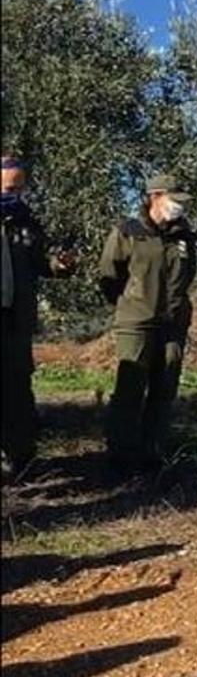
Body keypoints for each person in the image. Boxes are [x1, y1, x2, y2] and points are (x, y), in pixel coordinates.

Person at [97, 173, 197, 475]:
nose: (180, 207)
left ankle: (153, 451)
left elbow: (188, 273)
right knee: (130, 388)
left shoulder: (184, 235)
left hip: (173, 323)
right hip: (136, 322)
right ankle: (122, 456)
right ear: (155, 196)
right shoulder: (127, 232)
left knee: (165, 386)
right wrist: (131, 302)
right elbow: (109, 275)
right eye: (175, 200)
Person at [1, 155, 75, 476]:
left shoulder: (26, 220)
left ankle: (22, 458)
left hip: (16, 320)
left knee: (18, 389)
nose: (14, 194)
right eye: (8, 188)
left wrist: (63, 265)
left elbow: (42, 264)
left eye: (19, 188)